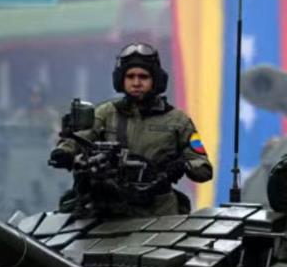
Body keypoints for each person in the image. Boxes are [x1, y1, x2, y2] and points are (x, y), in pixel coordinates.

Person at [49, 43, 212, 216]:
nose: (136, 83)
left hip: (159, 213)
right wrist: (64, 152)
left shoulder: (177, 120)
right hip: (110, 213)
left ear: (155, 80)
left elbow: (204, 169)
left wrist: (183, 166)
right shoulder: (106, 113)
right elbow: (80, 138)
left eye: (143, 77)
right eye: (130, 76)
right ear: (121, 80)